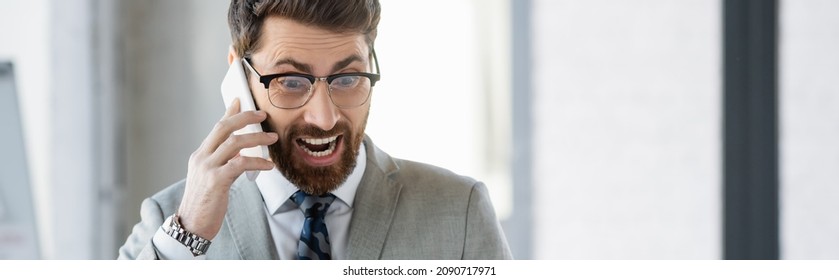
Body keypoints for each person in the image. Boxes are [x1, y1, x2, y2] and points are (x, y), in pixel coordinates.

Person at [118, 0, 512, 260]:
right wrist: (186, 238)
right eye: (290, 81)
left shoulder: (459, 212)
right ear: (238, 74)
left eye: (348, 78)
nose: (324, 118)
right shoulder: (171, 222)